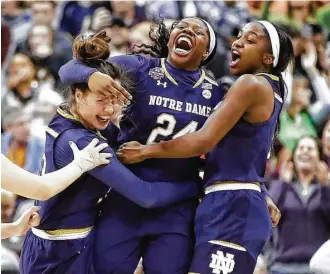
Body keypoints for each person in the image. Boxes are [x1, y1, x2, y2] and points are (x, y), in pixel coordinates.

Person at [116, 21, 294, 274]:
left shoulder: (250, 85)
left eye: (250, 40)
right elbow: (246, 153)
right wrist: (260, 189)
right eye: (239, 36)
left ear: (269, 57)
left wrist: (146, 151)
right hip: (224, 199)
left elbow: (203, 141)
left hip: (235, 205)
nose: (238, 42)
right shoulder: (263, 89)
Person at [20, 31, 200, 274]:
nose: (109, 109)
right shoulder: (84, 142)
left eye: (115, 100)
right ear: (79, 95)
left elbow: (70, 73)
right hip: (58, 251)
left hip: (60, 243)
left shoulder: (66, 116)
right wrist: (195, 185)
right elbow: (146, 195)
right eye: (102, 99)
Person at [59, 17, 225, 273]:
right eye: (181, 27)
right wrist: (91, 76)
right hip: (126, 197)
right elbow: (68, 70)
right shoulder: (140, 67)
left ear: (206, 51)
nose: (187, 31)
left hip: (176, 210)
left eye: (198, 31)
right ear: (170, 38)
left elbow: (235, 151)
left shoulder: (216, 94)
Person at [268, 136, 330, 274]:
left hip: (319, 268)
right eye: (301, 148)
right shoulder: (280, 186)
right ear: (294, 157)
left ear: (319, 157)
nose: (305, 152)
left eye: (310, 148)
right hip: (282, 267)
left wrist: (325, 186)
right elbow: (268, 217)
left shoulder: (326, 188)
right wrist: (283, 183)